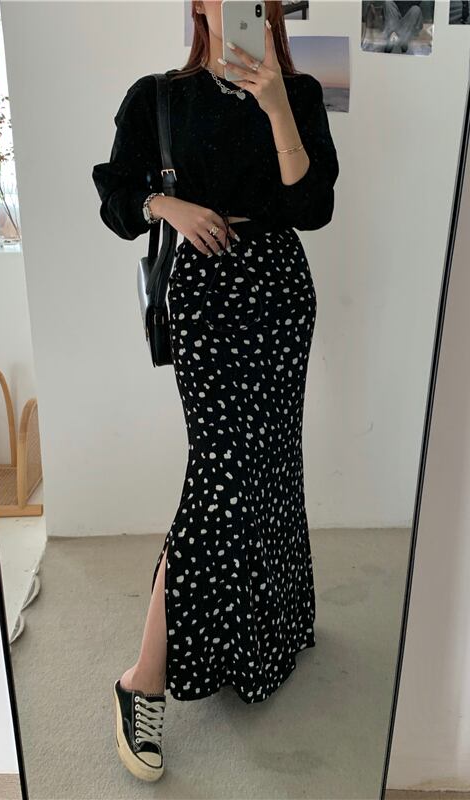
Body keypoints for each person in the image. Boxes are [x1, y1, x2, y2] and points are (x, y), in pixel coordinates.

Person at [91, 0, 339, 783]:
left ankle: (276, 626)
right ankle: (142, 680)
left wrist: (276, 105)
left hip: (281, 292)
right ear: (198, 4)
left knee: (272, 463)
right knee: (222, 475)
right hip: (204, 294)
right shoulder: (157, 96)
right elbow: (116, 199)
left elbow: (313, 207)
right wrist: (167, 204)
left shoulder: (300, 93)